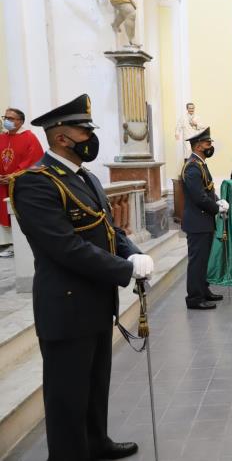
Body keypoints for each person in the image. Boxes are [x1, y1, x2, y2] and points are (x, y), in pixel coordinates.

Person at [9, 94, 154, 460]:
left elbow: (107, 228)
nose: (90, 136)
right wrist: (124, 270)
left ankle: (96, 441)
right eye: (84, 130)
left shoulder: (85, 177)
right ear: (61, 137)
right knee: (66, 395)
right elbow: (65, 247)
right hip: (66, 306)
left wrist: (133, 253)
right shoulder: (35, 183)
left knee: (94, 383)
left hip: (95, 302)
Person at [181, 127, 229, 310]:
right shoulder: (192, 166)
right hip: (197, 222)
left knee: (203, 260)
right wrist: (216, 208)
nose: (211, 146)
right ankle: (194, 298)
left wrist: (218, 200)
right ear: (199, 146)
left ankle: (203, 290)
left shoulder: (200, 164)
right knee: (196, 261)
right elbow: (198, 197)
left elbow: (207, 190)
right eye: (208, 143)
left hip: (203, 221)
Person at [0, 107, 44, 256]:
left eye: (10, 119)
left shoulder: (29, 137)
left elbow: (33, 160)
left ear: (20, 121)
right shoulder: (2, 137)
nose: (6, 121)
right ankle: (11, 244)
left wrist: (13, 175)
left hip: (21, 183)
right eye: (5, 117)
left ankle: (24, 245)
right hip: (3, 184)